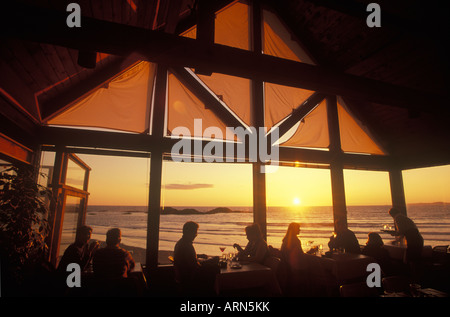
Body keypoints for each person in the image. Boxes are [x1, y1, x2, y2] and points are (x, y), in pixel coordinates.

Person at [173, 221, 218, 295]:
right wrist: (211, 260)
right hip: (190, 279)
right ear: (189, 232)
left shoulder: (181, 243)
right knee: (215, 269)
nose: (196, 235)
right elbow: (195, 265)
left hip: (183, 276)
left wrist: (199, 256)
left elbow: (188, 257)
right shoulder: (187, 245)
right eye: (195, 232)